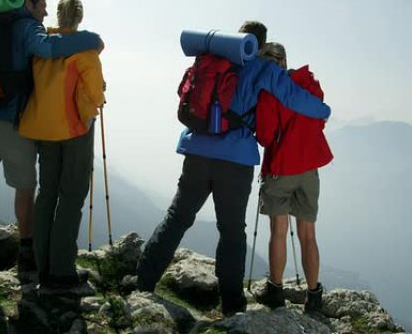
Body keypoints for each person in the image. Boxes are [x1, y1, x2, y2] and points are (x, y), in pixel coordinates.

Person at [136, 21, 332, 316]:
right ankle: (231, 306)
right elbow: (293, 97)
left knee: (177, 217)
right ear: (262, 44)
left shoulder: (214, 60)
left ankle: (144, 280)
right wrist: (325, 111)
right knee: (231, 231)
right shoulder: (262, 69)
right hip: (235, 160)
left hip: (196, 150)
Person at [0, 0, 104, 279]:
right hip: (14, 122)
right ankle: (27, 252)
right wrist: (90, 39)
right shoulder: (28, 27)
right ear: (29, 4)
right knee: (26, 189)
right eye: (42, 5)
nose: (45, 12)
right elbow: (49, 48)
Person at [18, 0, 105, 293]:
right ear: (79, 17)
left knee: (48, 194)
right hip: (75, 129)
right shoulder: (85, 50)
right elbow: (96, 95)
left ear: (57, 15)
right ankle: (62, 272)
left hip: (42, 128)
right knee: (72, 196)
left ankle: (43, 267)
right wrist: (101, 94)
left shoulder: (44, 45)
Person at [252, 42, 333, 314]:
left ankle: (275, 291)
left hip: (281, 168)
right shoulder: (310, 85)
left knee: (278, 231)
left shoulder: (268, 92)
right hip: (310, 169)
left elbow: (264, 135)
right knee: (308, 234)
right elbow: (318, 120)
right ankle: (314, 296)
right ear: (285, 61)